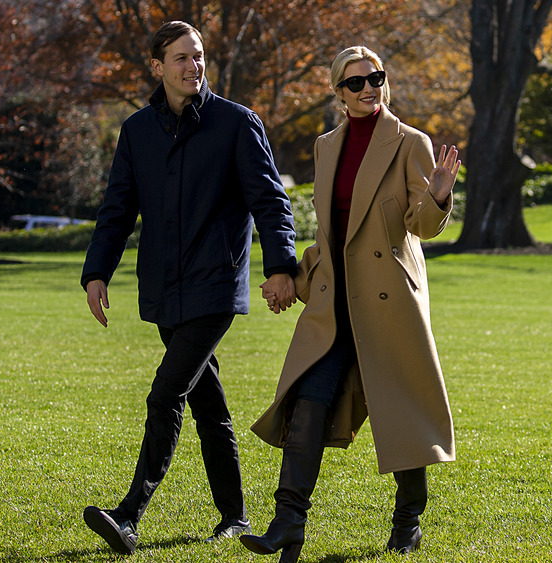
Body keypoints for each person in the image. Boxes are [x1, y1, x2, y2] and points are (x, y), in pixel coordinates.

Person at [79, 21, 298, 555]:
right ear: (157, 66)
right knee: (207, 402)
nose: (192, 66)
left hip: (214, 285)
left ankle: (129, 515)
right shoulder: (135, 132)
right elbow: (116, 210)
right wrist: (96, 272)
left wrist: (281, 266)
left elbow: (271, 203)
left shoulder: (236, 124)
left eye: (197, 56)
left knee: (166, 392)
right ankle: (235, 515)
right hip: (162, 290)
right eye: (180, 58)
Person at [239, 45, 459, 561]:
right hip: (334, 299)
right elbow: (330, 234)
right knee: (308, 399)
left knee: (398, 407)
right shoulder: (326, 146)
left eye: (375, 79)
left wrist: (441, 194)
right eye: (356, 83)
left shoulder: (411, 143)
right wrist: (293, 275)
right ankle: (288, 521)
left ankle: (408, 519)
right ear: (338, 92)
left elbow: (420, 227)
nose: (368, 89)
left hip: (388, 298)